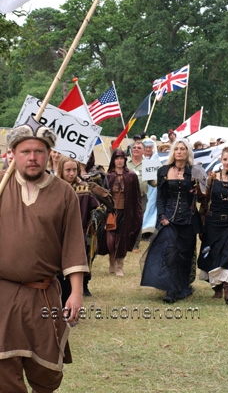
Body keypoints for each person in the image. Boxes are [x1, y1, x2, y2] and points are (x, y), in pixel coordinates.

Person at [0, 116, 89, 393]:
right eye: (25, 151)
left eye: (39, 151)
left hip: (43, 293)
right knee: (4, 368)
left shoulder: (64, 193)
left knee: (47, 372)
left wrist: (75, 293)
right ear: (12, 154)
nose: (32, 157)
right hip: (2, 293)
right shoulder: (1, 187)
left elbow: (74, 245)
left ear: (49, 154)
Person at [140, 138, 202, 303]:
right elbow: (161, 197)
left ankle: (182, 286)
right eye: (177, 149)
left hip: (187, 219)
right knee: (170, 253)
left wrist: (199, 187)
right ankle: (170, 289)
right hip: (169, 218)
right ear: (173, 152)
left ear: (187, 152)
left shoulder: (194, 171)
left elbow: (202, 196)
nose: (179, 151)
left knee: (185, 254)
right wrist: (162, 216)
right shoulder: (163, 170)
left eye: (182, 149)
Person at [56, 155, 114, 299]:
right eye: (67, 170)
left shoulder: (85, 188)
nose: (71, 173)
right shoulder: (54, 188)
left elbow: (99, 205)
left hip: (80, 232)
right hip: (57, 233)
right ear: (61, 170)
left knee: (79, 262)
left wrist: (97, 214)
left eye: (74, 170)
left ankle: (80, 288)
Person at [198, 146, 228, 304]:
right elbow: (205, 202)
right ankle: (216, 288)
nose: (227, 162)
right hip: (213, 222)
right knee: (211, 254)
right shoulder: (212, 178)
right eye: (225, 159)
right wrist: (201, 223)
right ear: (220, 160)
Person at [98, 149, 142, 276]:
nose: (119, 161)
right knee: (110, 239)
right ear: (113, 160)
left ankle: (119, 267)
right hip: (111, 212)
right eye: (117, 158)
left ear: (125, 160)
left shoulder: (131, 176)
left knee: (122, 239)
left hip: (126, 212)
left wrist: (137, 213)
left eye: (121, 158)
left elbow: (136, 196)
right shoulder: (108, 176)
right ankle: (112, 262)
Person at [127, 140, 156, 252]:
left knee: (138, 220)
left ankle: (135, 245)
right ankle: (124, 243)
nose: (136, 149)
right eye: (134, 147)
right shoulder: (125, 162)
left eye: (139, 148)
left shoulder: (148, 165)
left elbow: (152, 182)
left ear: (144, 151)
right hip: (125, 197)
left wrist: (161, 178)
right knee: (125, 219)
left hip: (141, 197)